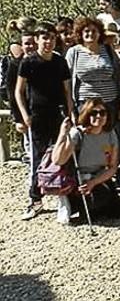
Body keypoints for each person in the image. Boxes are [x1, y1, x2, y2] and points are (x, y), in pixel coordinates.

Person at [16, 22, 73, 220]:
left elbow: (67, 91)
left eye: (51, 38)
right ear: (38, 39)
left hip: (57, 115)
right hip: (37, 117)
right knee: (37, 159)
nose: (48, 42)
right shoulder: (28, 62)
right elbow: (19, 91)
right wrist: (24, 114)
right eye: (44, 38)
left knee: (61, 156)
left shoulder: (60, 62)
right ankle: (35, 199)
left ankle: (62, 195)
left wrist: (70, 114)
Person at [50, 99, 120, 224]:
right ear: (87, 115)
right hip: (79, 177)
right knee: (94, 208)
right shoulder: (77, 134)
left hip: (99, 175)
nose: (98, 116)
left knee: (115, 211)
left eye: (102, 113)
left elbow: (112, 167)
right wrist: (62, 135)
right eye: (94, 113)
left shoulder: (111, 134)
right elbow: (58, 160)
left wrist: (93, 182)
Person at [66, 16, 120, 124]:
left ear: (100, 33)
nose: (91, 34)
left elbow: (119, 77)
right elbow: (68, 82)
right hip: (85, 104)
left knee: (110, 135)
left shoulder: (108, 50)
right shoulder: (74, 52)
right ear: (80, 33)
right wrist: (70, 107)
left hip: (110, 102)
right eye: (87, 31)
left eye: (94, 31)